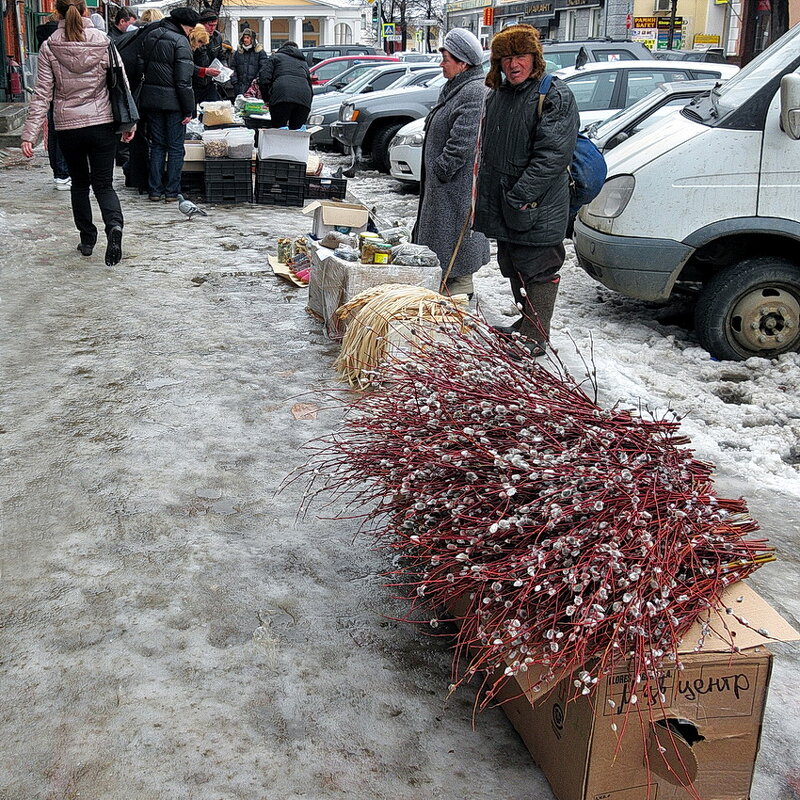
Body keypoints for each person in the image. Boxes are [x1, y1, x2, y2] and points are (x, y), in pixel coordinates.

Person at [473, 24, 579, 356]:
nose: (513, 65)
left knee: (540, 268)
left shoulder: (554, 95)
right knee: (514, 264)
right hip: (508, 203)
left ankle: (536, 336)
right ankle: (525, 324)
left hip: (535, 205)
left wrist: (519, 197)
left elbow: (551, 157)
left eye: (520, 56)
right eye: (505, 59)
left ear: (535, 58)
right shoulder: (500, 95)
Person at [21, 0, 134, 266]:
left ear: (57, 13)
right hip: (103, 123)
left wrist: (30, 133)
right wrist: (129, 124)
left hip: (68, 126)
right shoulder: (103, 41)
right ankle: (114, 227)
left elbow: (42, 94)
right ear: (86, 12)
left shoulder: (50, 46)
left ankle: (87, 239)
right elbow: (121, 83)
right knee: (104, 184)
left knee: (80, 184)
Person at [412, 28, 488, 299]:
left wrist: (441, 170)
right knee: (444, 247)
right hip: (444, 189)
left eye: (446, 58)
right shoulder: (456, 87)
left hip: (455, 189)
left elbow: (463, 142)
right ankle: (449, 292)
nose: (441, 63)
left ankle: (459, 297)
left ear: (463, 62)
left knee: (457, 246)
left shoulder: (474, 91)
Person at [137, 6, 197, 202]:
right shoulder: (180, 42)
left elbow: (140, 66)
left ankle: (154, 190)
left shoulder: (151, 35)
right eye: (190, 29)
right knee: (176, 147)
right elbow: (183, 81)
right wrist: (189, 108)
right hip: (174, 104)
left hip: (151, 101)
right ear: (184, 25)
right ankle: (171, 191)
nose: (190, 33)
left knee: (157, 145)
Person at [34, 12, 71, 191]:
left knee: (53, 134)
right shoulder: (60, 40)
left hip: (50, 92)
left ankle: (58, 171)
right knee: (63, 134)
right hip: (64, 92)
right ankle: (63, 173)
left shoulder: (43, 40)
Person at [258, 40, 312, 129]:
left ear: (283, 48)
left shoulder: (275, 57)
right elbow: (309, 85)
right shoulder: (303, 63)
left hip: (281, 96)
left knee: (280, 131)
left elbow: (264, 79)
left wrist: (267, 99)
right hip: (304, 98)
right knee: (297, 134)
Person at [189, 23, 221, 106]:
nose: (199, 45)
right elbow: (185, 66)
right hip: (193, 84)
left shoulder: (215, 39)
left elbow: (220, 55)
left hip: (206, 82)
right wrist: (204, 71)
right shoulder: (185, 47)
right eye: (199, 42)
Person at [230, 28, 266, 98]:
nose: (245, 40)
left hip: (254, 88)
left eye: (247, 38)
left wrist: (257, 81)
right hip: (239, 87)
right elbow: (232, 67)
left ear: (252, 39)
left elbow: (263, 68)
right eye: (244, 37)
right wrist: (234, 82)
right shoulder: (237, 53)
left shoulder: (260, 52)